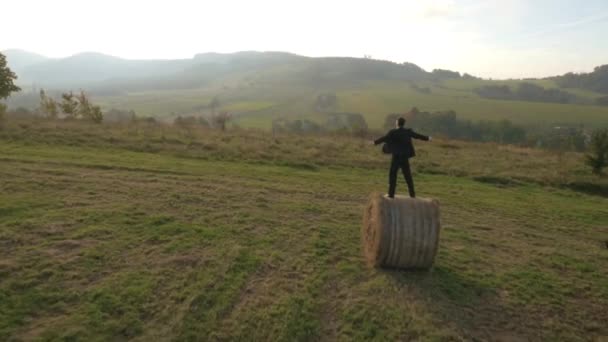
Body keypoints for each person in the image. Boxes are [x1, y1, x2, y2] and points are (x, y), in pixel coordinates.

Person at [373, 117, 431, 198]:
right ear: (403, 124)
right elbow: (417, 136)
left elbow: (384, 138)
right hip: (404, 157)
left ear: (397, 123)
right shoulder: (408, 132)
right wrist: (428, 138)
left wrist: (375, 142)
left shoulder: (392, 132)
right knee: (408, 176)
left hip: (396, 157)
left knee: (393, 175)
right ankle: (412, 194)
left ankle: (391, 194)